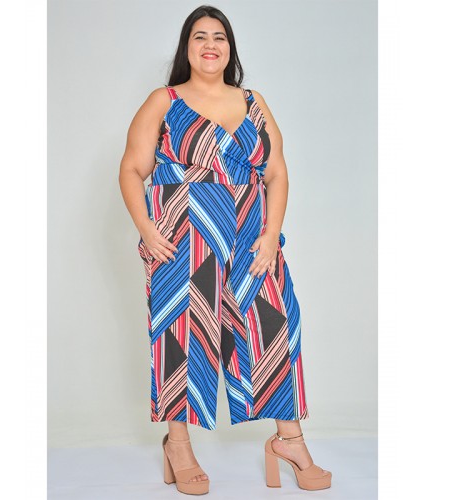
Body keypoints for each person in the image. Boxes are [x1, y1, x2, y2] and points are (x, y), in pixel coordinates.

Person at [119, 5, 332, 495]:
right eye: (199, 37)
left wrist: (271, 233)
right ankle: (178, 445)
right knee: (182, 334)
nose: (210, 44)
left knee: (274, 326)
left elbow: (276, 172)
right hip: (184, 232)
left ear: (230, 48)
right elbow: (131, 169)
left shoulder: (254, 101)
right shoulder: (165, 100)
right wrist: (147, 229)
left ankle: (289, 441)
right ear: (187, 48)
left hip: (251, 233)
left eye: (219, 36)